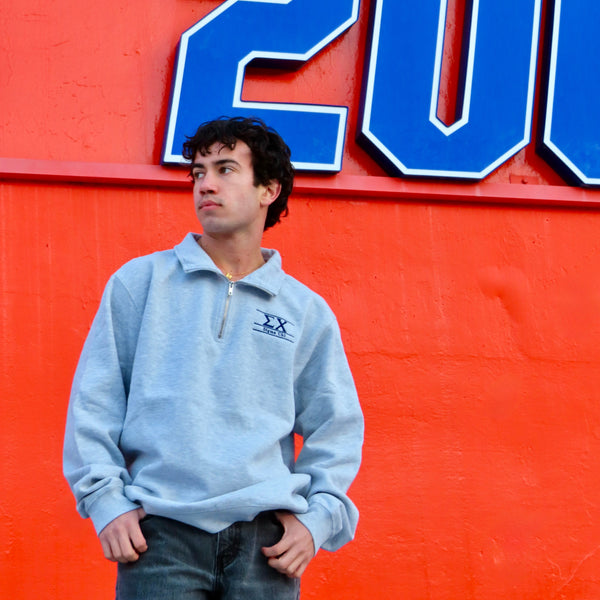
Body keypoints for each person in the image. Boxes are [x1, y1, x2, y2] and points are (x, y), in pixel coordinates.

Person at [63, 116, 364, 599]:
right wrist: (106, 502)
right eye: (199, 172)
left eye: (225, 169)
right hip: (160, 537)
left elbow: (337, 426)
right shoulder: (140, 284)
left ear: (268, 189)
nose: (205, 184)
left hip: (266, 546)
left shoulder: (304, 310)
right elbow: (94, 405)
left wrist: (319, 519)